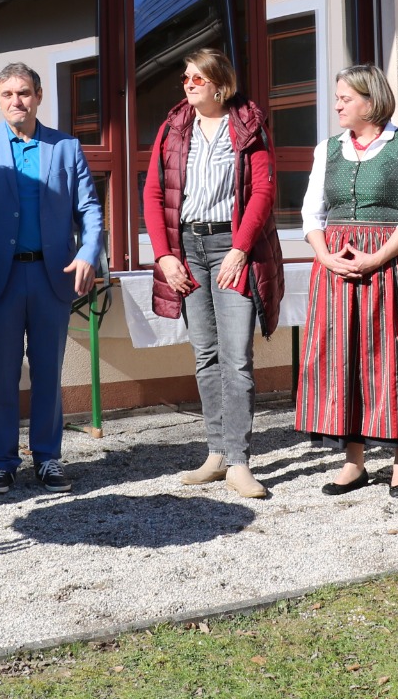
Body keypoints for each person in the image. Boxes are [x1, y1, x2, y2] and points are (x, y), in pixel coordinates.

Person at [0, 61, 105, 494]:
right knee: (2, 374)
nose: (17, 101)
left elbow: (89, 209)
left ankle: (48, 458)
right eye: (8, 94)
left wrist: (89, 253)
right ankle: (2, 463)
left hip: (53, 277)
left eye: (24, 93)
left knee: (48, 372)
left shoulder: (66, 147)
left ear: (38, 96)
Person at [295, 63, 398, 498]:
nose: (337, 105)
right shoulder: (328, 149)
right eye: (338, 98)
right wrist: (325, 256)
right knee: (342, 357)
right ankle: (353, 462)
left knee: (395, 354)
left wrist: (377, 257)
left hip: (391, 262)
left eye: (346, 98)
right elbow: (311, 212)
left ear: (370, 101)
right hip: (336, 266)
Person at [141, 48, 282, 500]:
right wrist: (165, 256)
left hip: (230, 245)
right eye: (185, 78)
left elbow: (263, 191)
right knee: (205, 354)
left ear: (220, 85)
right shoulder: (173, 127)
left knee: (235, 357)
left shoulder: (248, 125)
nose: (188, 84)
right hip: (187, 248)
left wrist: (240, 249)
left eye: (197, 78)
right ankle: (216, 454)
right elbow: (153, 192)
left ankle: (239, 461)